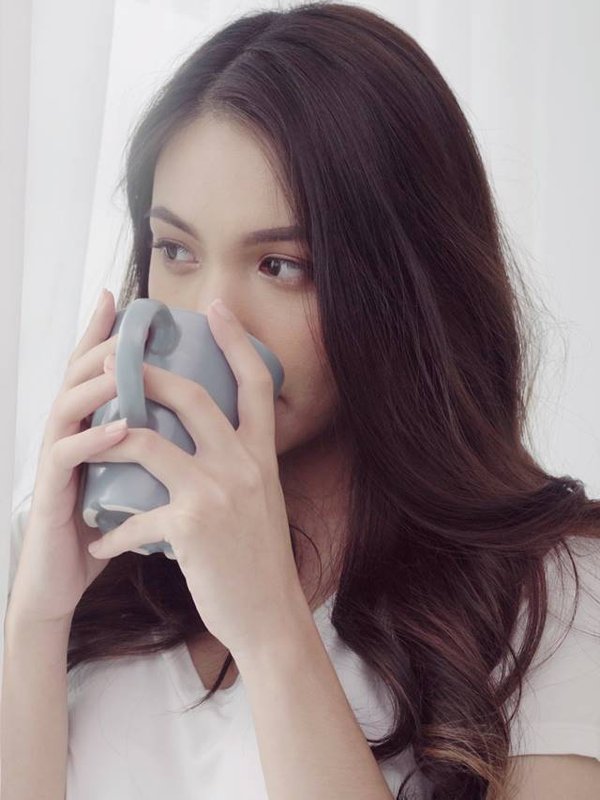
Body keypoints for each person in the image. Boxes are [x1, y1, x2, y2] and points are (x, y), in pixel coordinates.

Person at [2, 3, 600, 799]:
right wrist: (36, 620)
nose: (213, 323)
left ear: (405, 289)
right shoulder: (68, 561)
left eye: (280, 265)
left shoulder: (554, 596)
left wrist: (272, 627)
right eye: (175, 251)